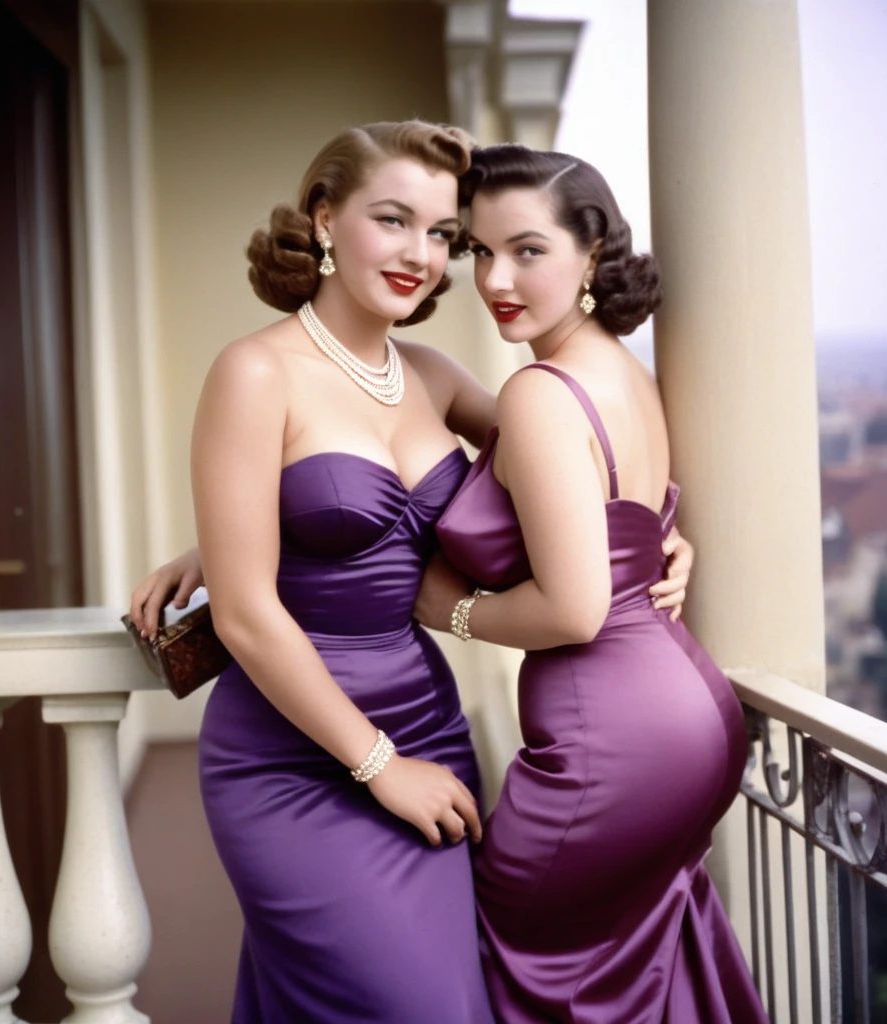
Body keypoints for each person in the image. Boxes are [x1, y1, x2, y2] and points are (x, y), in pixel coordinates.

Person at [129, 123, 695, 1023]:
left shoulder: (431, 375)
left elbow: (581, 460)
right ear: (324, 217)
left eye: (442, 235)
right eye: (394, 221)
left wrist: (656, 535)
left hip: (427, 724)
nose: (421, 256)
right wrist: (380, 768)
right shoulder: (253, 372)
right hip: (297, 754)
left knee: (451, 998)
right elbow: (244, 616)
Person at [416, 145, 767, 1022]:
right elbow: (622, 518)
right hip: (691, 714)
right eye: (480, 250)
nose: (497, 276)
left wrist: (449, 609)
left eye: (528, 249)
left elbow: (575, 609)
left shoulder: (540, 391)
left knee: (511, 959)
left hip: (611, 742)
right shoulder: (624, 371)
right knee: (629, 968)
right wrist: (665, 539)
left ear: (593, 252)